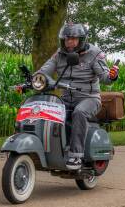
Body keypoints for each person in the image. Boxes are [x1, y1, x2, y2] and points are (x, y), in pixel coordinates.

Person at [35, 22, 118, 169]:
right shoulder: (60, 54)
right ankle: (51, 150)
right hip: (66, 97)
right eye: (67, 39)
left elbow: (105, 78)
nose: (69, 42)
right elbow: (44, 70)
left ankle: (76, 156)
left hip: (89, 97)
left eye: (73, 39)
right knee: (46, 111)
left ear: (81, 40)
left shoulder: (94, 53)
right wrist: (36, 79)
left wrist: (112, 75)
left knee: (79, 112)